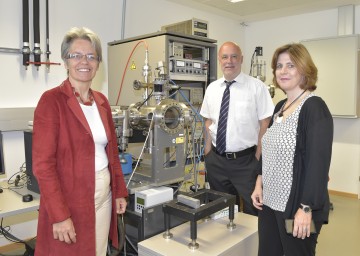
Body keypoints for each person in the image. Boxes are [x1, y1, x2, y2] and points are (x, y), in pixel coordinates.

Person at [33, 27, 128, 256]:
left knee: (96, 251)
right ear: (66, 61)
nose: (84, 61)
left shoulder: (102, 102)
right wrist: (59, 215)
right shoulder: (51, 101)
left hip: (103, 195)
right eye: (76, 55)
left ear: (97, 63)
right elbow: (43, 166)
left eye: (91, 56)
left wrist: (119, 191)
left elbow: (112, 153)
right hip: (69, 198)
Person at [251, 43, 333, 256]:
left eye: (291, 65)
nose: (283, 71)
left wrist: (306, 209)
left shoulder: (314, 107)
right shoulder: (279, 107)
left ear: (304, 70)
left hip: (298, 208)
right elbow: (267, 150)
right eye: (279, 66)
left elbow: (318, 164)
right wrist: (259, 183)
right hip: (269, 203)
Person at [200, 41, 274, 216]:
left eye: (234, 56)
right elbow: (208, 120)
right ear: (219, 59)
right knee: (220, 210)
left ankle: (253, 243)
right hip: (217, 161)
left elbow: (265, 123)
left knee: (253, 210)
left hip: (246, 162)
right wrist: (208, 149)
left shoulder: (256, 87)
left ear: (241, 59)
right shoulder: (212, 89)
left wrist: (257, 156)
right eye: (225, 57)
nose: (229, 61)